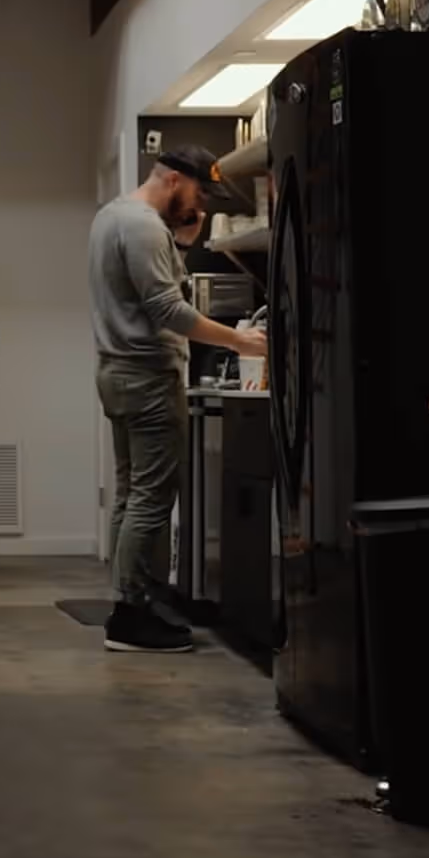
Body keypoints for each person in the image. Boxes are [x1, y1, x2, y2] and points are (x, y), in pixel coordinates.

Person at [89, 146, 267, 653]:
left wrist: (183, 245)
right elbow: (168, 308)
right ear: (172, 180)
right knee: (151, 496)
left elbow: (142, 292)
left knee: (131, 493)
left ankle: (135, 601)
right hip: (146, 376)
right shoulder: (145, 226)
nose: (201, 202)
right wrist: (240, 341)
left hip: (117, 372)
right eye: (198, 191)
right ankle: (131, 615)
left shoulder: (112, 217)